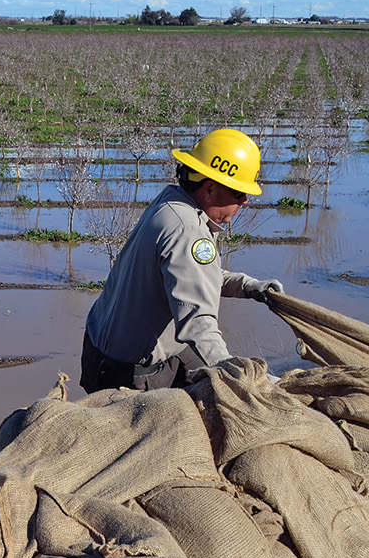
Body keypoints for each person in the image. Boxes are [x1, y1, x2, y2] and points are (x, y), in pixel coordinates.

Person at [80, 128, 284, 393]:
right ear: (210, 189)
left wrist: (248, 286)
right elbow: (198, 324)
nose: (244, 202)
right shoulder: (187, 231)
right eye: (238, 193)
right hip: (128, 372)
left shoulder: (171, 202)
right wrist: (242, 381)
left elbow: (190, 277)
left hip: (103, 349)